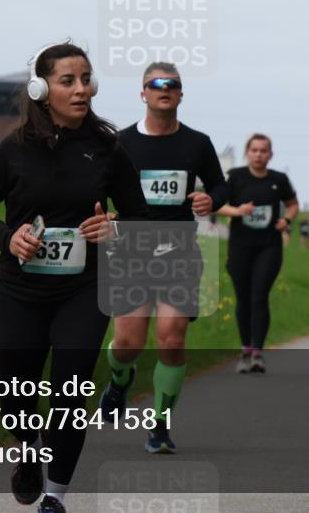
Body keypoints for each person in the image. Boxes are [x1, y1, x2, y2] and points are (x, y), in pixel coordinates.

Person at [0, 42, 148, 513]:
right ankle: (28, 457)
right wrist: (8, 238)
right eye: (68, 80)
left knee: (70, 392)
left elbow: (141, 217)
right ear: (42, 89)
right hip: (18, 290)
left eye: (86, 78)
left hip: (83, 290)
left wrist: (114, 228)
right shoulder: (13, 149)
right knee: (16, 392)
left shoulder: (108, 150)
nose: (81, 88)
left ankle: (56, 496)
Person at [98, 62, 227, 454]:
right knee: (128, 343)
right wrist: (104, 217)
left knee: (171, 338)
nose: (164, 89)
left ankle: (159, 426)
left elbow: (221, 186)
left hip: (179, 251)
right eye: (155, 84)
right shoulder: (119, 143)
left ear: (181, 94)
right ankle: (120, 378)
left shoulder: (197, 144)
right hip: (132, 252)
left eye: (172, 84)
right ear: (143, 94)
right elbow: (98, 190)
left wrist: (211, 200)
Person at [216, 133, 299, 374]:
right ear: (247, 153)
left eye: (264, 151)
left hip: (269, 246)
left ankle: (257, 353)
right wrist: (237, 211)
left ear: (270, 155)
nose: (259, 154)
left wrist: (286, 220)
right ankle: (245, 348)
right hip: (240, 245)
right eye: (254, 150)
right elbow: (218, 206)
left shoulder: (279, 179)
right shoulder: (235, 177)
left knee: (259, 295)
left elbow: (293, 204)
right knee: (243, 298)